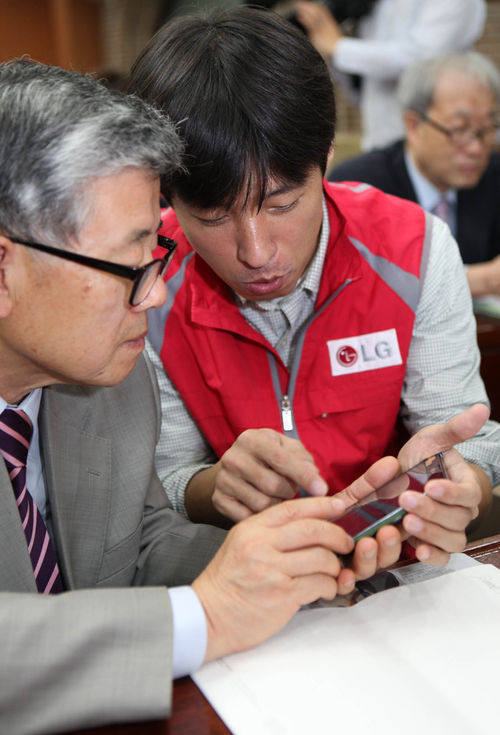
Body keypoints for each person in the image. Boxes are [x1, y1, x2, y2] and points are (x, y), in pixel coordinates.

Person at [0, 58, 402, 734]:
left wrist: (297, 559)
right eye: (129, 264)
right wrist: (205, 616)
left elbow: (137, 542)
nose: (156, 293)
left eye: (156, 255)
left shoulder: (109, 379)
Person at [128, 8, 499, 557]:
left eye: (281, 204)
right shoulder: (147, 283)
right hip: (246, 573)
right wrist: (215, 488)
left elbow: (470, 445)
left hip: (400, 562)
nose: (256, 253)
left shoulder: (413, 250)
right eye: (212, 217)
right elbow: (164, 483)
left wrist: (457, 489)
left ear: (326, 158)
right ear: (166, 194)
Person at [329, 52, 500, 299]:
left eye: (486, 128)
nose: (476, 148)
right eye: (460, 129)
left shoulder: (493, 176)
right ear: (413, 125)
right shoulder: (360, 185)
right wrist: (481, 280)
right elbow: (358, 284)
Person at [294, 0, 486, 151]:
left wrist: (338, 47)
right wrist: (326, 41)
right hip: (380, 142)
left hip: (439, 148)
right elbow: (366, 82)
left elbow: (422, 59)